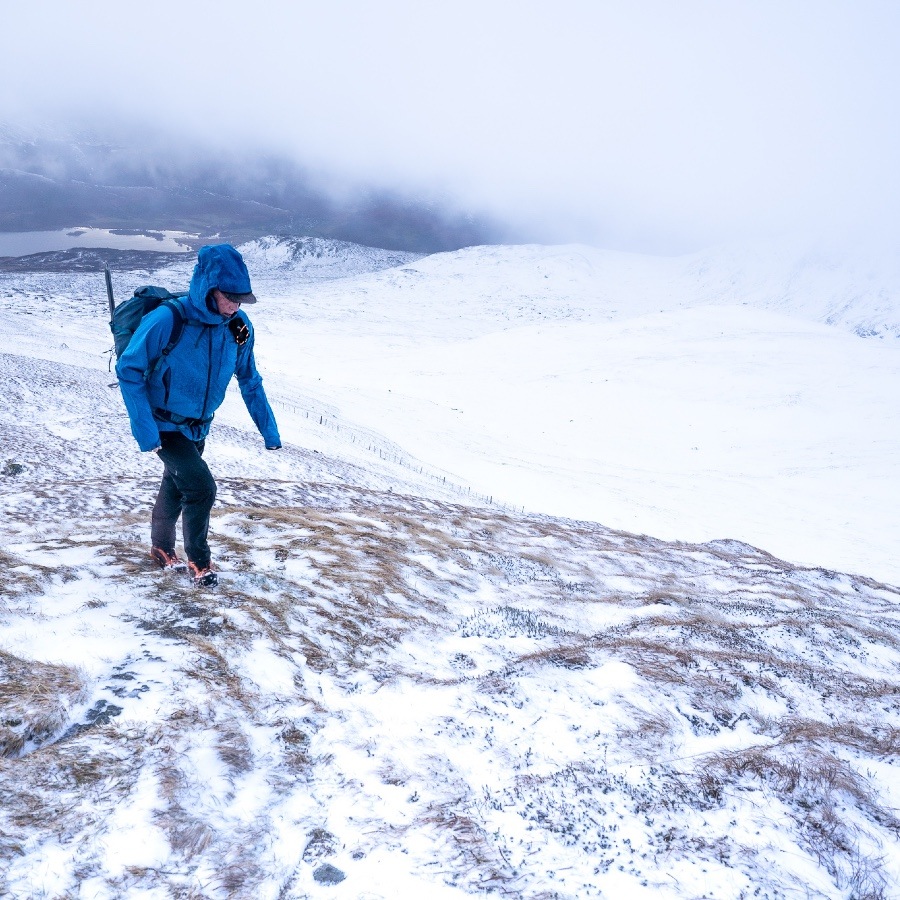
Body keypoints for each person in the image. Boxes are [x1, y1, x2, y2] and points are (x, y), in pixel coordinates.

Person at [116, 243, 281, 586]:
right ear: (209, 288)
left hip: (199, 426)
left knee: (176, 486)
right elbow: (129, 369)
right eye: (230, 296)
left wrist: (270, 432)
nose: (235, 305)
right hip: (163, 425)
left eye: (241, 299)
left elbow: (249, 379)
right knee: (202, 487)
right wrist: (145, 431)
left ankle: (161, 548)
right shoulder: (168, 319)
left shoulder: (237, 327)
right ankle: (199, 562)